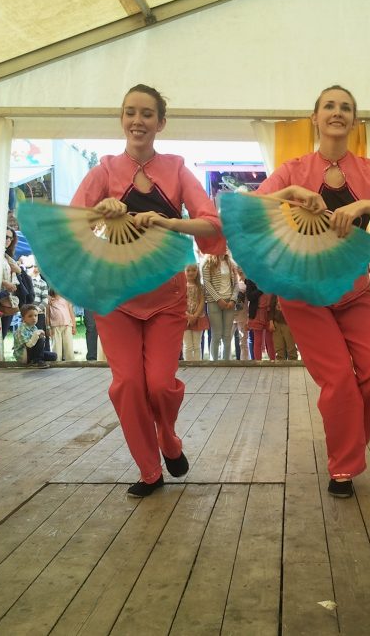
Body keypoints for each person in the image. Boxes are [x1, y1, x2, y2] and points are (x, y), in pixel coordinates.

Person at [255, 85, 370, 498]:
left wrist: (366, 206)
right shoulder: (293, 168)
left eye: (345, 107)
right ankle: (344, 467)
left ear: (354, 120)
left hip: (355, 293)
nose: (337, 112)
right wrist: (291, 194)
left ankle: (345, 445)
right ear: (315, 117)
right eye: (329, 106)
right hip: (304, 295)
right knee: (339, 382)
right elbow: (250, 208)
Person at [71, 83, 225, 497]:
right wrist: (98, 211)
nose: (137, 121)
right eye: (129, 112)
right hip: (115, 296)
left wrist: (168, 222)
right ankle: (148, 470)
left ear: (160, 122)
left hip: (166, 296)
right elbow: (71, 223)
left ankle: (168, 438)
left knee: (159, 384)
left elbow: (211, 224)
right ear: (122, 119)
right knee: (127, 386)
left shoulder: (176, 169)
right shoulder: (103, 170)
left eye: (146, 114)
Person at [201, 252, 237, 360]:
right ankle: (214, 363)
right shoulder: (207, 263)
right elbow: (207, 283)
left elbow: (235, 284)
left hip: (229, 303)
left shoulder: (230, 262)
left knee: (227, 335)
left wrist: (233, 300)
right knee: (216, 334)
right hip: (214, 303)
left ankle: (226, 362)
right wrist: (218, 299)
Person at [0, 227, 23, 340]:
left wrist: (17, 269)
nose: (8, 240)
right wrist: (5, 283)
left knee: (2, 334)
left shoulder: (7, 257)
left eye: (11, 238)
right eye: (6, 237)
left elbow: (18, 270)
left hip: (8, 299)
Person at [183, 264, 208, 360]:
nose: (191, 272)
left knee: (197, 345)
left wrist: (195, 316)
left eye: (193, 270)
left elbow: (202, 302)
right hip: (185, 318)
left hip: (198, 317)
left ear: (197, 271)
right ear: (184, 272)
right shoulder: (182, 287)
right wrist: (188, 316)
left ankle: (198, 366)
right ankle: (188, 367)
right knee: (188, 346)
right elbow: (180, 302)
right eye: (188, 270)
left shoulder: (200, 287)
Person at [245, 279, 274, 360]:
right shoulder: (250, 280)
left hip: (269, 313)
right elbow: (250, 297)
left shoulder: (270, 278)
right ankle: (258, 363)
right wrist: (261, 289)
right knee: (258, 341)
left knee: (270, 341)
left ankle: (273, 362)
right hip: (257, 312)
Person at [47, 288, 76, 361]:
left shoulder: (67, 299)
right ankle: (56, 360)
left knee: (68, 345)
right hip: (55, 326)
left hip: (67, 325)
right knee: (56, 346)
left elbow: (71, 313)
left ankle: (70, 361)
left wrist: (74, 326)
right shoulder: (49, 301)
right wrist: (48, 327)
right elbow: (47, 315)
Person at [268, 295, 298, 360]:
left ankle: (292, 367)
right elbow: (271, 307)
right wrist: (271, 322)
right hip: (276, 323)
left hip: (289, 323)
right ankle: (280, 368)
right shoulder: (275, 292)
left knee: (291, 349)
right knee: (279, 350)